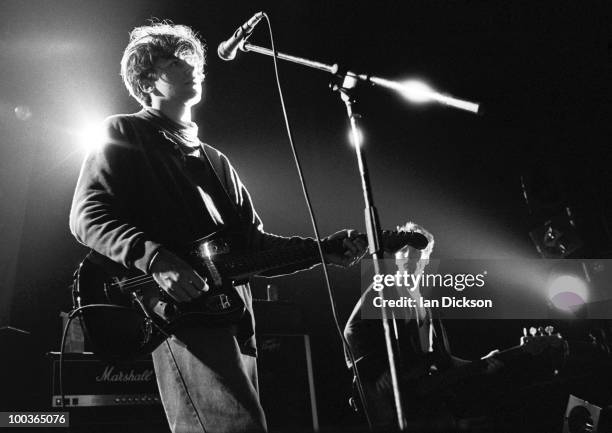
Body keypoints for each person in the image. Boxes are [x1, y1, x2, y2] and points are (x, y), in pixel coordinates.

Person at [69, 23, 366, 433]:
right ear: (147, 78)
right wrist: (154, 259)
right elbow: (87, 216)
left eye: (193, 59)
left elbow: (253, 247)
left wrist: (322, 250)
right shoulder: (124, 132)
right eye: (176, 61)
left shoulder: (216, 161)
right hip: (178, 317)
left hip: (233, 321)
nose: (193, 66)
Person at [344, 223, 503, 431]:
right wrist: (377, 372)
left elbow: (442, 359)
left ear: (426, 259)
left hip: (423, 402)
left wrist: (482, 364)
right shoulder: (383, 290)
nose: (410, 257)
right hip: (391, 401)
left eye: (417, 252)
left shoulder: (428, 309)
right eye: (404, 251)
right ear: (397, 256)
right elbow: (351, 331)